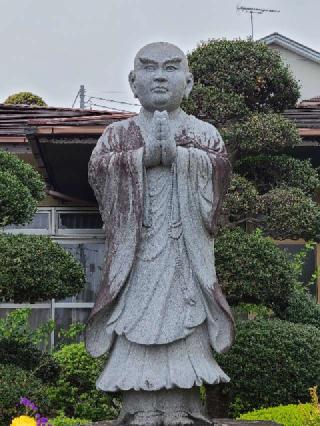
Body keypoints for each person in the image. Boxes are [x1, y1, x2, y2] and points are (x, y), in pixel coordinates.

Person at [85, 42, 234, 426]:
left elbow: (219, 176)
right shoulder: (117, 136)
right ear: (134, 83)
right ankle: (138, 406)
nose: (161, 76)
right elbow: (99, 173)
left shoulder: (205, 134)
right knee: (133, 324)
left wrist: (182, 158)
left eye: (171, 68)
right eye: (149, 69)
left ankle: (184, 405)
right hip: (135, 258)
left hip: (184, 256)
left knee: (188, 324)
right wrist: (143, 157)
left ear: (189, 80)